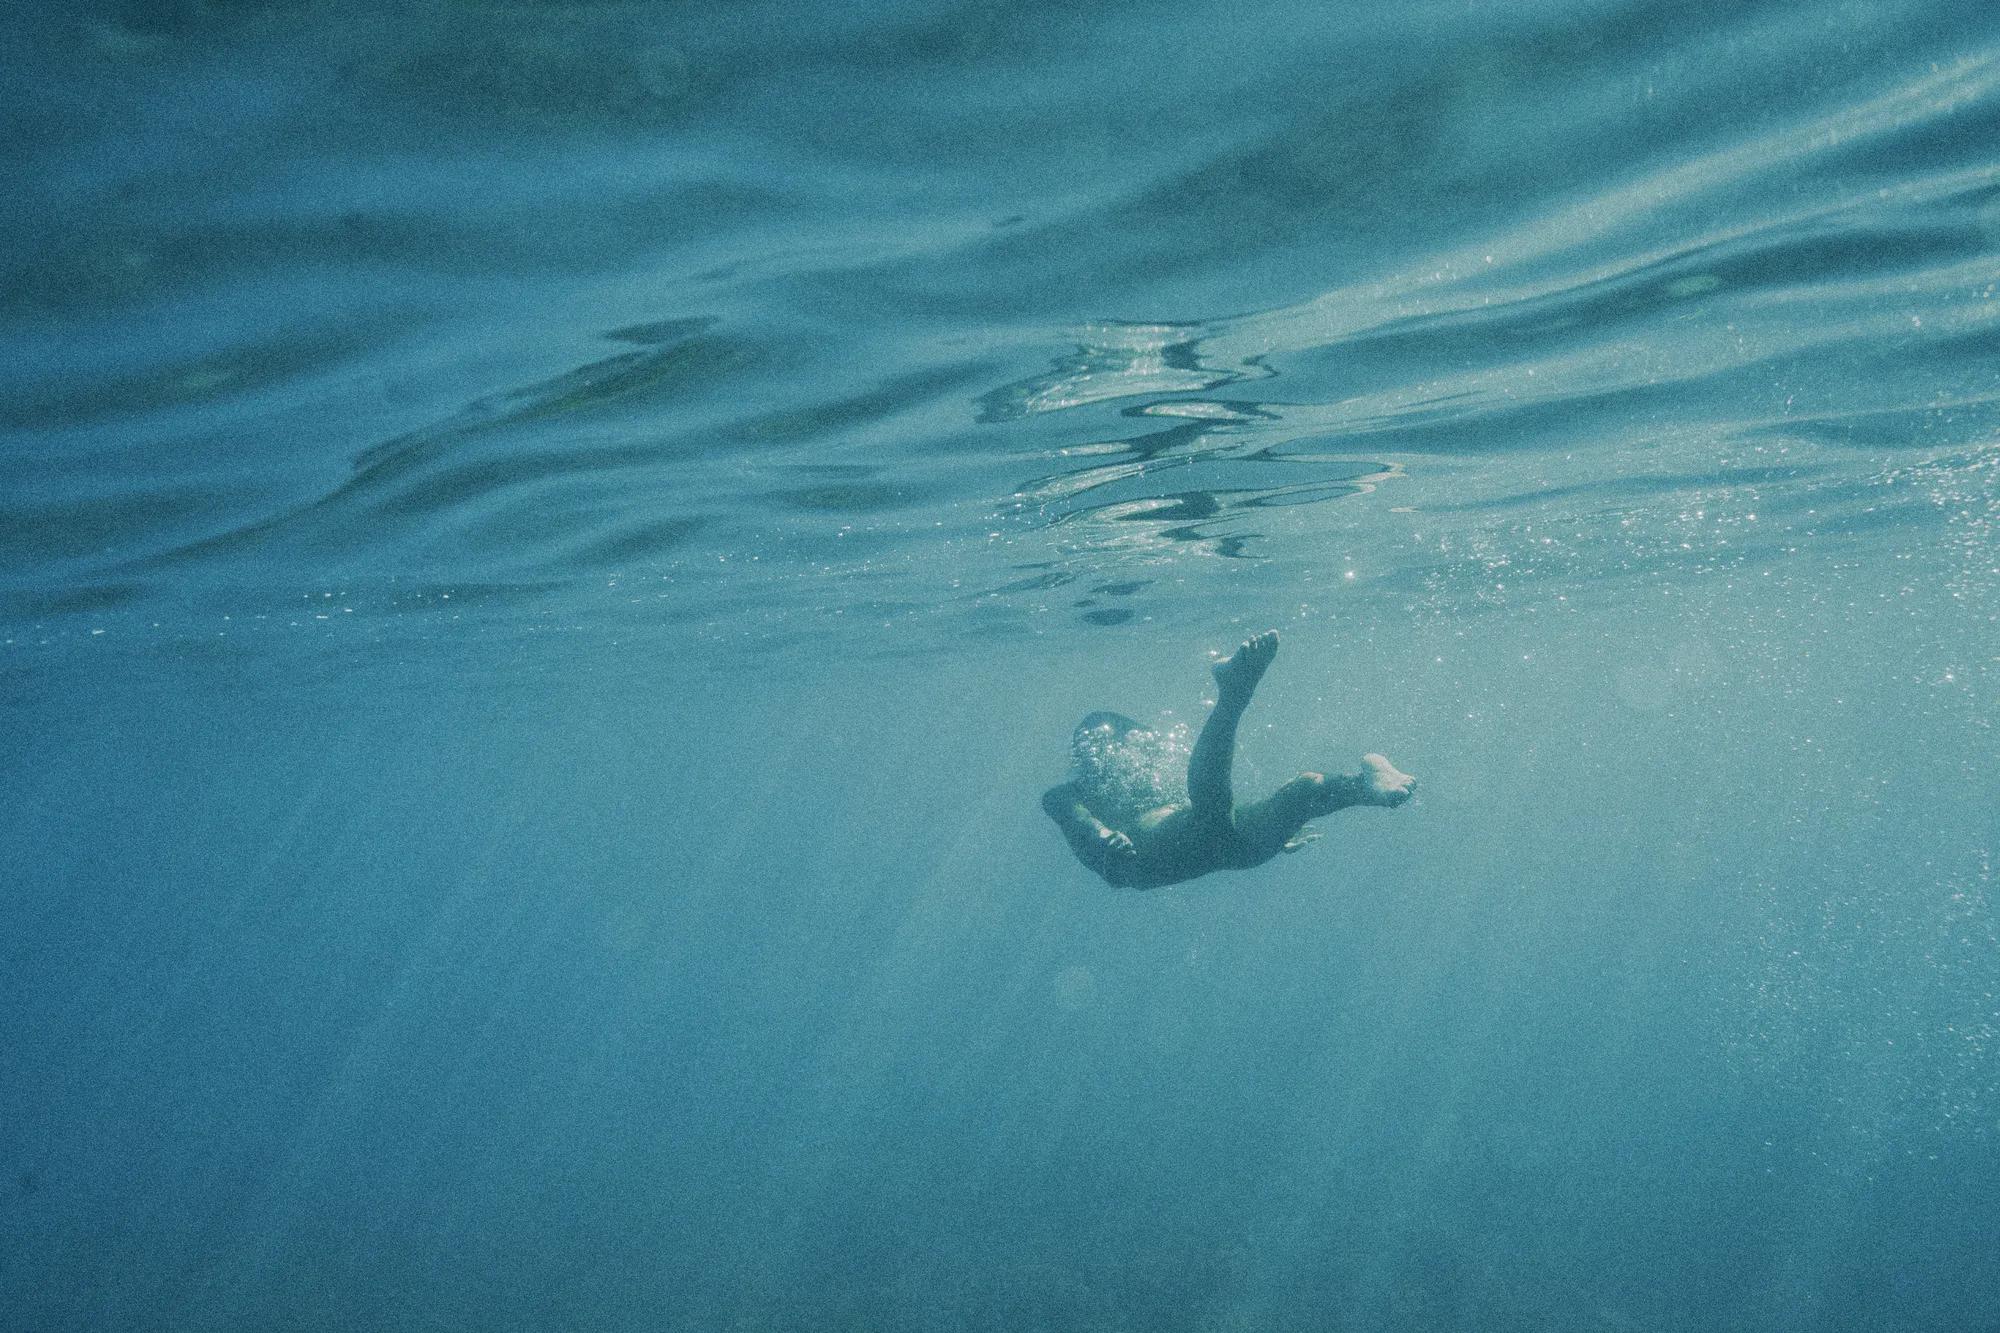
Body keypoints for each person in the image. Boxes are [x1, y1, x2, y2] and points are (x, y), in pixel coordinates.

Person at [1042, 630, 1414, 889]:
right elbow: (1078, 822)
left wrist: (1279, 829)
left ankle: (1364, 786)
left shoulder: (1150, 774)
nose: (1134, 756)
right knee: (1211, 814)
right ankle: (1233, 693)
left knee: (1302, 792)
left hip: (1228, 850)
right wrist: (1102, 836)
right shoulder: (1067, 794)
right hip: (1144, 862)